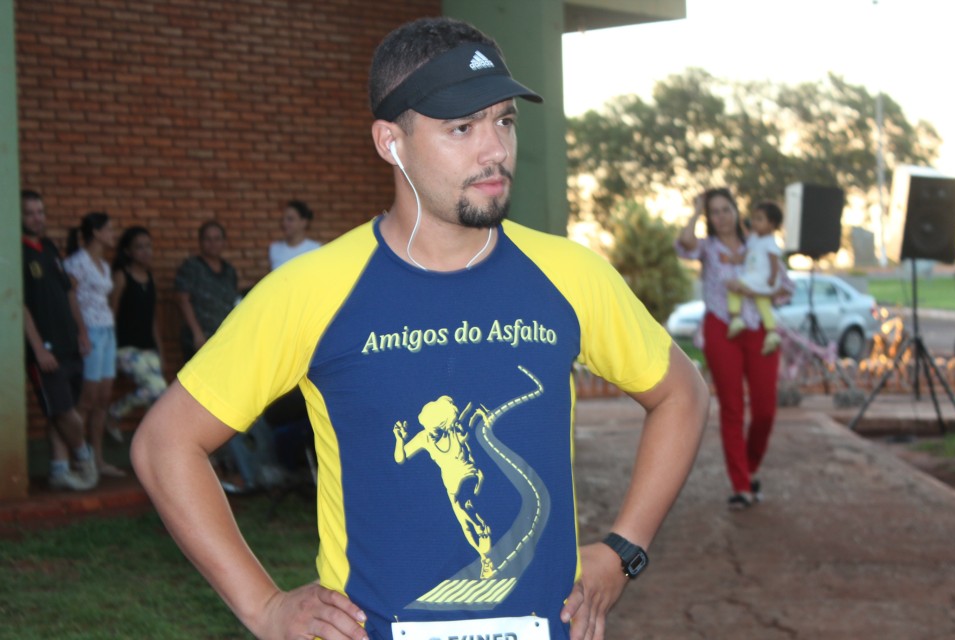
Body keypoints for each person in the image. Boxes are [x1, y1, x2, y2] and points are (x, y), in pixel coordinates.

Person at [132, 17, 708, 640]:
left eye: (504, 121)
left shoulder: (570, 275)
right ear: (390, 141)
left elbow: (682, 393)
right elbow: (166, 444)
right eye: (461, 127)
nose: (495, 150)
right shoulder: (314, 290)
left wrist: (625, 549)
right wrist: (264, 606)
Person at [676, 189, 789, 509]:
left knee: (765, 410)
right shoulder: (708, 248)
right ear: (709, 218)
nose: (722, 217)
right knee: (732, 408)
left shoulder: (758, 242)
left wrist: (764, 287)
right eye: (715, 212)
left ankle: (750, 467)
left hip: (760, 331)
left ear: (737, 211)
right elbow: (685, 243)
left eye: (726, 209)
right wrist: (695, 210)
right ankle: (741, 485)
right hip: (721, 329)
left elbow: (783, 286)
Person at [21, 190, 99, 491]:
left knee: (59, 411)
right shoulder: (16, 253)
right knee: (65, 412)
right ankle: (85, 460)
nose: (37, 218)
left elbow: (69, 293)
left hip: (70, 344)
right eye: (30, 213)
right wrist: (38, 348)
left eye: (40, 211)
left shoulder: (49, 247)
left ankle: (59, 469)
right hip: (45, 351)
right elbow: (19, 304)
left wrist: (81, 332)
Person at [64, 211, 123, 478]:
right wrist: (81, 332)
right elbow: (69, 296)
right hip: (90, 331)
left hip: (107, 331)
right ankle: (76, 458)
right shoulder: (78, 262)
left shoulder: (105, 265)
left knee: (102, 398)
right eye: (109, 230)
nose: (113, 234)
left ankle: (98, 460)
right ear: (97, 232)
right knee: (86, 399)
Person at [107, 226, 168, 437]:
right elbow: (111, 314)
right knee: (157, 389)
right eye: (139, 247)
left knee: (160, 398)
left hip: (148, 348)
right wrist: (109, 349)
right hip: (124, 348)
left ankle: (153, 442)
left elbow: (152, 319)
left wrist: (160, 351)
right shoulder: (121, 276)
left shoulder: (151, 278)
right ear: (128, 252)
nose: (146, 251)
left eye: (148, 246)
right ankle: (115, 411)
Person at [173, 220, 238, 361]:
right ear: (200, 242)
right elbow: (182, 300)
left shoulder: (229, 270)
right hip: (198, 339)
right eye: (207, 239)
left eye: (217, 239)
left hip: (222, 339)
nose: (212, 243)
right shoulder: (191, 267)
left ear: (224, 242)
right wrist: (197, 333)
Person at [726, 202, 785, 355]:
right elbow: (746, 255)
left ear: (771, 224)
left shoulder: (770, 242)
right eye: (754, 219)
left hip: (761, 278)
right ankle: (772, 332)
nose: (754, 222)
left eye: (759, 219)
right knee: (763, 303)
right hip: (755, 278)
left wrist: (772, 277)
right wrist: (735, 259)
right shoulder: (754, 238)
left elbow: (774, 262)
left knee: (733, 285)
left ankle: (735, 317)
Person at [268, 199, 322, 270]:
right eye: (283, 219)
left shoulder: (315, 249)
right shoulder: (275, 249)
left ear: (303, 222)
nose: (284, 223)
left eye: (290, 219)